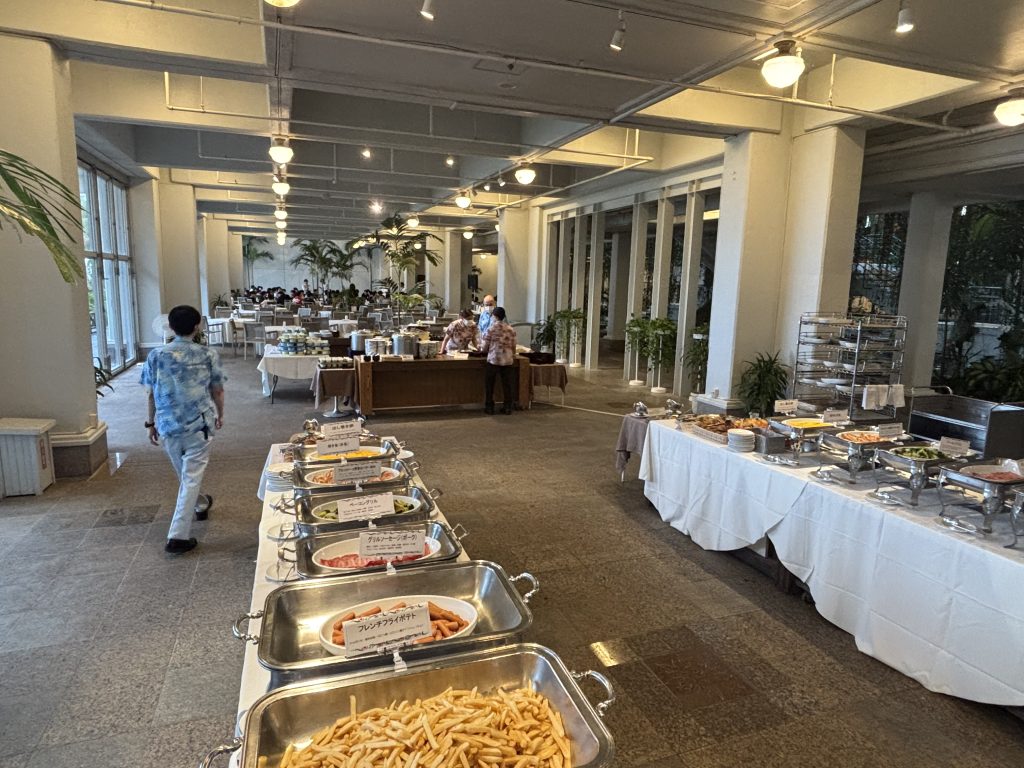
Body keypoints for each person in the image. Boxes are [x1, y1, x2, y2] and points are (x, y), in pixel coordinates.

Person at [141, 305, 226, 554]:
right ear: (197, 326)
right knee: (190, 477)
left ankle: (200, 504)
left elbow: (150, 393)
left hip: (168, 425)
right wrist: (220, 414)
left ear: (170, 326)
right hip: (198, 424)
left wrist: (150, 422)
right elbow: (217, 390)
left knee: (187, 475)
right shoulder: (207, 354)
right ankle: (178, 536)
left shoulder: (156, 355)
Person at [479, 306, 518, 414]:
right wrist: (512, 354)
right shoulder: (511, 329)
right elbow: (514, 346)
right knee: (507, 385)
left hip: (494, 359)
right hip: (507, 360)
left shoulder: (491, 329)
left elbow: (484, 347)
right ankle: (507, 407)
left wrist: (481, 348)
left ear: (494, 316)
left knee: (490, 384)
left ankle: (489, 407)